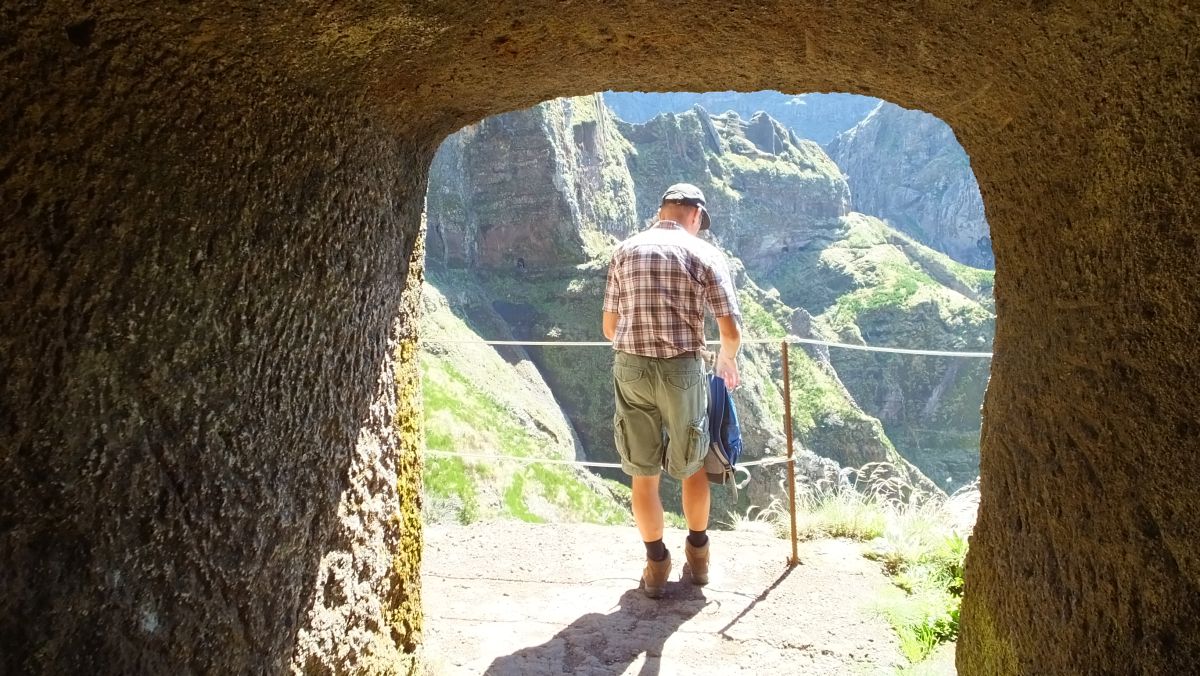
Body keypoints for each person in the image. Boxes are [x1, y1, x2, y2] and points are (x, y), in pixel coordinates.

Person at [601, 183, 742, 599]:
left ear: (661, 210)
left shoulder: (624, 250)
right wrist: (725, 360)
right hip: (683, 370)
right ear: (695, 216)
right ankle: (698, 559)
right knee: (693, 464)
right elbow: (730, 331)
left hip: (631, 369)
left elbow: (610, 328)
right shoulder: (704, 254)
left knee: (643, 474)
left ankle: (655, 563)